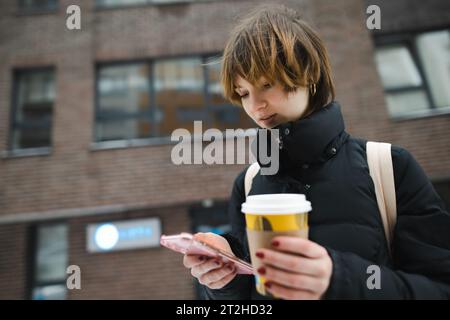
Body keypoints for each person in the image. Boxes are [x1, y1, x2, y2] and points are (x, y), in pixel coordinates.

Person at [183, 4, 450, 299]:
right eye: (244, 93)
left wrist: (340, 279)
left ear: (308, 74)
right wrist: (225, 283)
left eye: (266, 84)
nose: (254, 106)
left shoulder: (389, 166)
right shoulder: (247, 184)